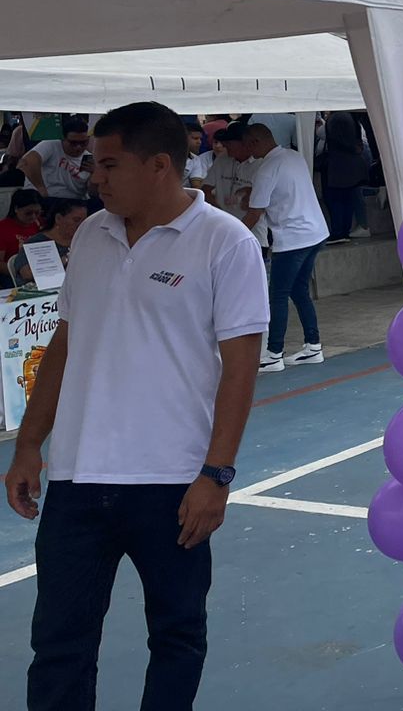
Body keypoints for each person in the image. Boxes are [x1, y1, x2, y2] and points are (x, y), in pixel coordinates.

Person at [5, 99, 267, 710]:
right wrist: (28, 446)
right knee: (59, 642)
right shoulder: (91, 235)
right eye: (95, 164)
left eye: (109, 164)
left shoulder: (225, 242)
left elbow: (240, 370)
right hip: (77, 478)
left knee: (176, 636)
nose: (93, 177)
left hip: (172, 483)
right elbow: (64, 345)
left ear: (158, 166)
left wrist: (216, 475)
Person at [241, 123, 330, 371]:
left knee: (278, 295)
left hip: (293, 238)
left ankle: (274, 353)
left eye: (248, 146)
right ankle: (313, 345)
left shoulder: (266, 169)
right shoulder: (293, 156)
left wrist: (231, 235)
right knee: (299, 290)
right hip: (315, 232)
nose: (248, 152)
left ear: (255, 142)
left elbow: (255, 212)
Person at [202, 125, 268, 250]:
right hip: (223, 231)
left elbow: (256, 212)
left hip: (253, 235)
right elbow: (206, 189)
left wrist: (235, 235)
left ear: (244, 143)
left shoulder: (262, 164)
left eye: (229, 142)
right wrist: (219, 213)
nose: (224, 145)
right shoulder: (222, 159)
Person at [10, 199, 89, 287]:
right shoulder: (37, 242)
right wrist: (63, 261)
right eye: (76, 220)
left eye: (84, 221)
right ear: (58, 218)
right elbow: (26, 273)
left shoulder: (85, 240)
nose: (81, 225)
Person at [320, 111, 369, 245]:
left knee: (335, 200)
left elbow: (340, 139)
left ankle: (338, 232)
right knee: (347, 199)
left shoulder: (337, 118)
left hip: (339, 165)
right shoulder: (350, 116)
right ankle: (343, 231)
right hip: (351, 164)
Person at [20, 115, 94, 201]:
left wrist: (94, 174)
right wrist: (40, 188)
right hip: (43, 198)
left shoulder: (89, 158)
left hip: (73, 201)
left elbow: (93, 193)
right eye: (73, 143)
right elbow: (27, 162)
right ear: (63, 139)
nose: (78, 147)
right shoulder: (52, 144)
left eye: (83, 143)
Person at [0, 188, 44, 266]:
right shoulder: (2, 229)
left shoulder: (40, 224)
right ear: (16, 209)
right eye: (28, 213)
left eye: (37, 213)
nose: (33, 217)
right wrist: (18, 271)